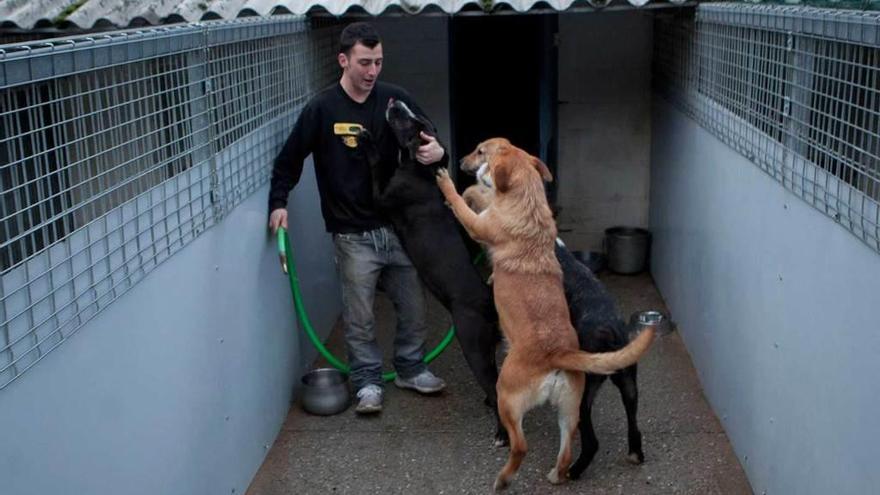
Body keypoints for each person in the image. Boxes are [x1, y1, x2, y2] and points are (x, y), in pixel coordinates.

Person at [268, 22, 447, 414]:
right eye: (365, 62)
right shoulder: (322, 109)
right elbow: (288, 160)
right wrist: (278, 203)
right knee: (360, 316)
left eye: (378, 62)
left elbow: (429, 139)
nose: (372, 71)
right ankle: (367, 382)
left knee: (415, 306)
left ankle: (410, 367)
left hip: (398, 228)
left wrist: (439, 152)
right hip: (352, 235)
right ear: (343, 60)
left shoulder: (395, 99)